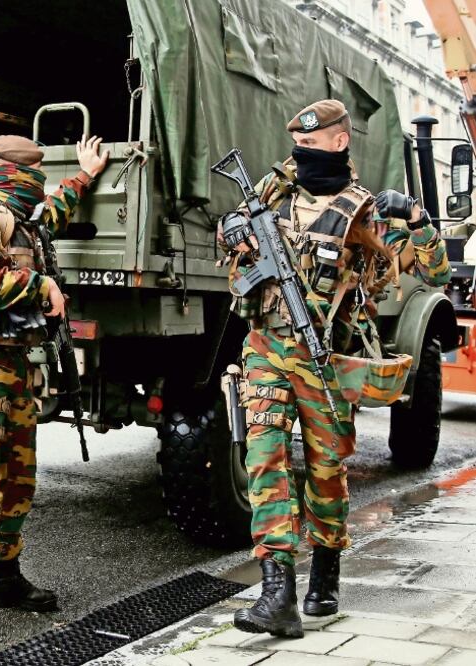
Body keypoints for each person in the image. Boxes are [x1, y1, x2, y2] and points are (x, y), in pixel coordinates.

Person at [219, 100, 400, 639]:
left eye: (312, 145)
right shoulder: (273, 192)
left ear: (340, 142)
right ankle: (277, 590)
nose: (300, 153)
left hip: (323, 357)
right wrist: (235, 235)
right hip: (265, 348)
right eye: (297, 145)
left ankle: (325, 572)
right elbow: (230, 244)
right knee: (264, 461)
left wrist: (412, 224)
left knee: (325, 470)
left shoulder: (360, 209)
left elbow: (395, 272)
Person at [0, 134, 109, 650]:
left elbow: (51, 215)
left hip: (16, 377)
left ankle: (3, 578)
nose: (40, 186)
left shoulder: (21, 222)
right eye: (36, 176)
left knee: (15, 482)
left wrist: (85, 175)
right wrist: (41, 287)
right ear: (14, 176)